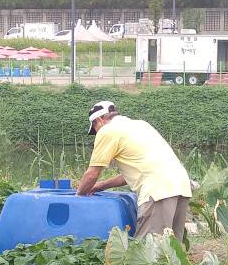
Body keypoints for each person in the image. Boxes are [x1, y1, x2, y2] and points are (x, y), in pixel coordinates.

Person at [76, 100, 193, 239]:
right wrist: (100, 186)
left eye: (94, 129)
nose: (96, 133)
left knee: (148, 251)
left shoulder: (107, 131)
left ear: (99, 120)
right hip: (181, 186)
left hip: (157, 191)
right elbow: (136, 172)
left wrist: (78, 195)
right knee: (171, 250)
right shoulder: (141, 125)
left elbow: (92, 173)